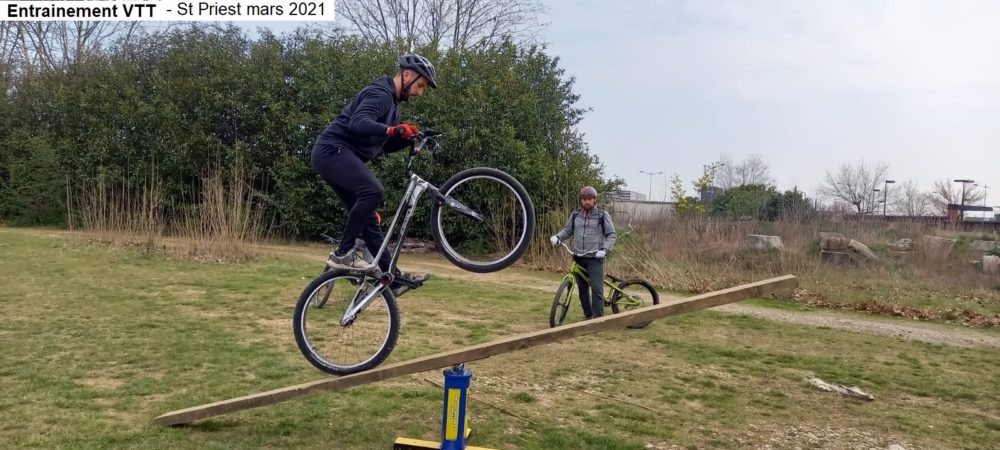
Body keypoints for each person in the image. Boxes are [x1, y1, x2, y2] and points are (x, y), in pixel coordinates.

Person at [311, 53, 438, 297]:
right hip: (332, 150)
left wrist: (407, 136)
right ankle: (344, 253)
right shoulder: (381, 94)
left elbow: (384, 144)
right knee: (373, 191)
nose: (419, 93)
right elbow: (358, 123)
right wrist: (392, 129)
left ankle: (394, 278)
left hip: (335, 155)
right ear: (407, 75)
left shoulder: (393, 106)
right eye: (420, 86)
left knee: (369, 220)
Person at [550, 186, 617, 319]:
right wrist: (557, 237)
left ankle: (598, 320)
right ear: (580, 200)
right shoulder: (575, 215)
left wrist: (604, 249)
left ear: (595, 200)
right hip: (578, 257)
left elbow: (611, 235)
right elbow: (568, 230)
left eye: (590, 199)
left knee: (597, 290)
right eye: (584, 199)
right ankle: (588, 316)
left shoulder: (603, 215)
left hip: (595, 258)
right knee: (582, 290)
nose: (587, 202)